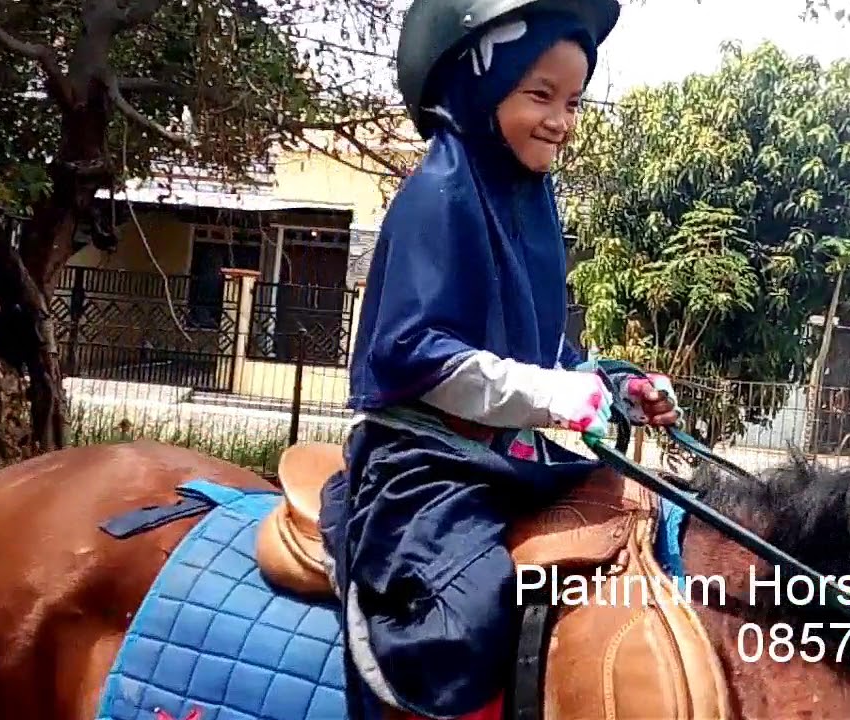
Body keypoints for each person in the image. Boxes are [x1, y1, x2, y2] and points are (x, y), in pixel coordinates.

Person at [317, 1, 681, 719]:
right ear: (480, 85)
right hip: (422, 465)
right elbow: (415, 354)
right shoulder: (440, 194)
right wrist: (554, 399)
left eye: (573, 102)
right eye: (539, 95)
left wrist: (618, 385)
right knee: (469, 614)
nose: (561, 121)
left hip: (504, 460)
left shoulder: (530, 205)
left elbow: (545, 357)